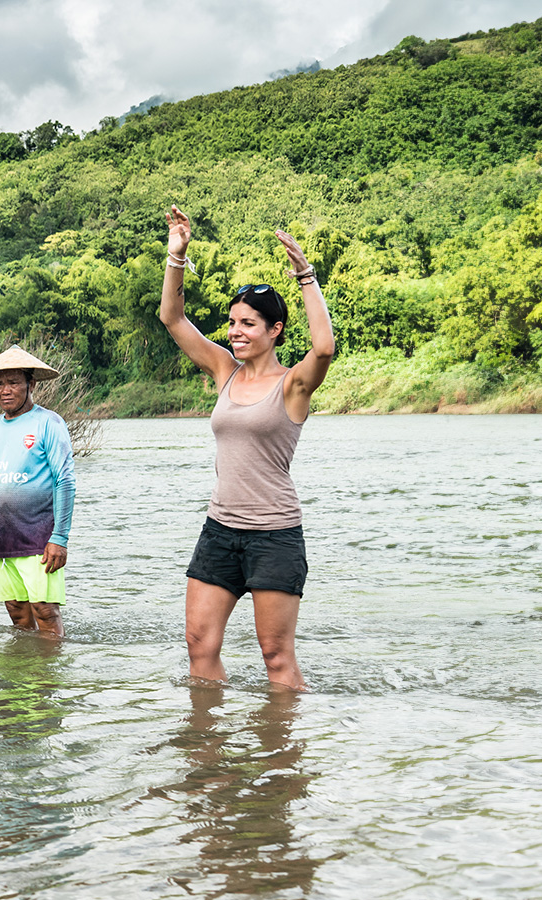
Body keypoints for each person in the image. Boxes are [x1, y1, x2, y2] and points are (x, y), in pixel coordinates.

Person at [158, 205, 335, 690]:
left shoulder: (294, 385)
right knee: (199, 644)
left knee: (275, 658)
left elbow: (323, 348)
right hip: (219, 530)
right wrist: (177, 255)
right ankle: (210, 756)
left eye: (248, 324)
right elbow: (172, 318)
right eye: (232, 323)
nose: (235, 331)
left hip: (274, 535)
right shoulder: (224, 371)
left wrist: (305, 276)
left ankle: (282, 756)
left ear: (274, 330)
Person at [0, 345, 76, 639]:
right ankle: (23, 676)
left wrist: (59, 538)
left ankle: (47, 680)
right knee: (17, 612)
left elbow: (65, 481)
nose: (5, 390)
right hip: (2, 540)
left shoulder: (48, 423)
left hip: (39, 539)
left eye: (13, 382)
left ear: (31, 384)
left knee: (45, 611)